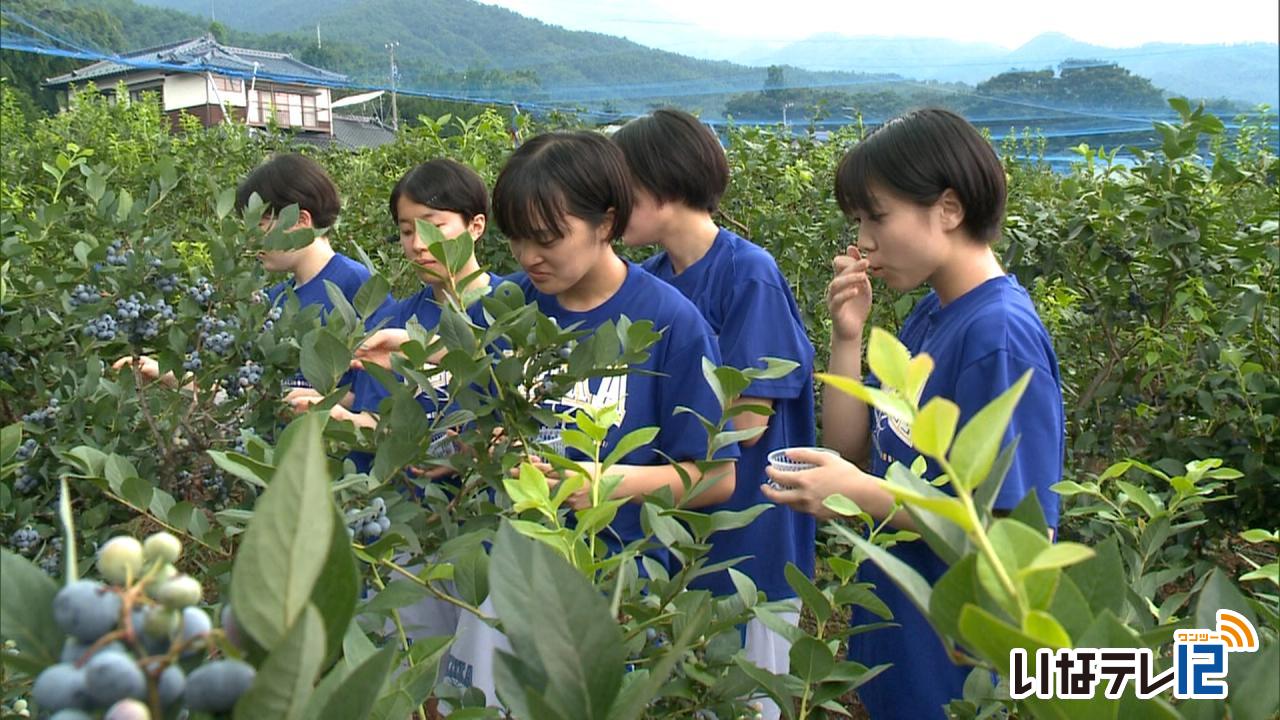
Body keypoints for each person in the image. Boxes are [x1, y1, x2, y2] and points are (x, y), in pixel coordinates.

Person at [761, 108, 1064, 720]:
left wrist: (859, 494)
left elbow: (1021, 543)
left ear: (948, 209)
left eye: (877, 216)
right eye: (858, 221)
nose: (864, 240)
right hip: (902, 651)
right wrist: (848, 338)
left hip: (959, 679)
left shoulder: (996, 337)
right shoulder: (934, 315)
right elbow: (856, 452)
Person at [438, 130, 741, 709]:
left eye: (548, 238)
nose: (529, 257)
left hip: (615, 594)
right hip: (513, 580)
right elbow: (469, 433)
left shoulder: (669, 322)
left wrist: (596, 485)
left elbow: (715, 476)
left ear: (605, 223)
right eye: (518, 239)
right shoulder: (508, 310)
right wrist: (483, 444)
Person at [612, 107, 816, 718]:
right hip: (675, 548)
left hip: (746, 551)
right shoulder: (648, 281)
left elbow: (746, 424)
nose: (610, 205)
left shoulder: (747, 274)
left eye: (621, 190)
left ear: (665, 186)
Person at [116, 153, 384, 390]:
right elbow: (244, 391)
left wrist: (315, 403)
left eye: (259, 225)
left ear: (301, 220)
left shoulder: (356, 283)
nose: (251, 240)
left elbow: (380, 391)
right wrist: (163, 373)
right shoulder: (274, 300)